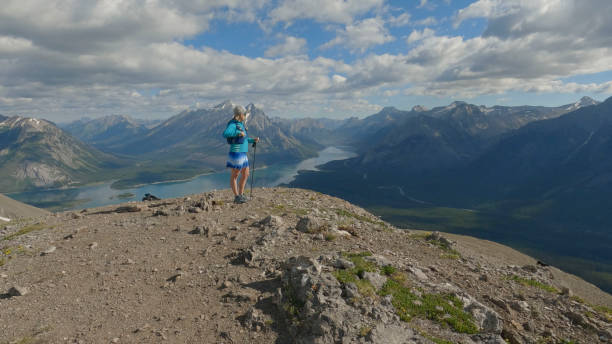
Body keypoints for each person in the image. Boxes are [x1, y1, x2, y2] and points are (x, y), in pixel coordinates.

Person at [223, 106, 260, 204]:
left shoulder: (241, 124)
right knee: (235, 175)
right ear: (240, 115)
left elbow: (244, 139)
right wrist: (238, 132)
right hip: (236, 152)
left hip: (243, 153)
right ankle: (236, 197)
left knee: (246, 174)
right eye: (244, 114)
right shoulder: (233, 124)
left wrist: (252, 140)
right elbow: (225, 133)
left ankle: (241, 194)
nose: (245, 115)